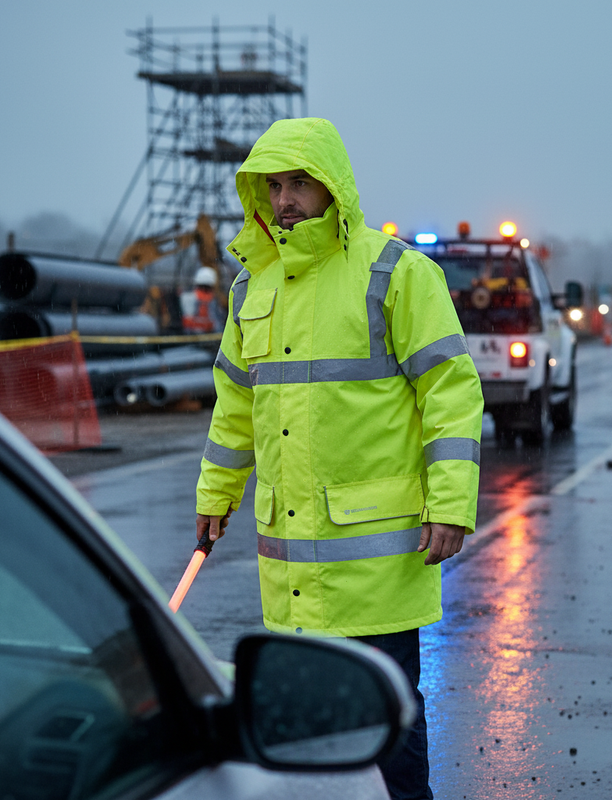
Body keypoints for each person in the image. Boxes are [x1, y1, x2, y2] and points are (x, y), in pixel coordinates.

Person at [194, 117, 483, 799]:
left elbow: (450, 391)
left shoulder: (396, 274)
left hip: (376, 569)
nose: (286, 199)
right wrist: (215, 493)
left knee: (388, 728)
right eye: (275, 185)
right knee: (309, 740)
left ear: (334, 189)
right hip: (289, 565)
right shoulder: (250, 289)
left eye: (300, 183)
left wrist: (450, 505)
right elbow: (234, 406)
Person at [180, 266, 225, 333]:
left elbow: (218, 324)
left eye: (207, 288)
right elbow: (187, 322)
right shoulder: (188, 298)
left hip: (211, 338)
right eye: (202, 287)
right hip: (190, 337)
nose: (205, 292)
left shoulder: (215, 301)